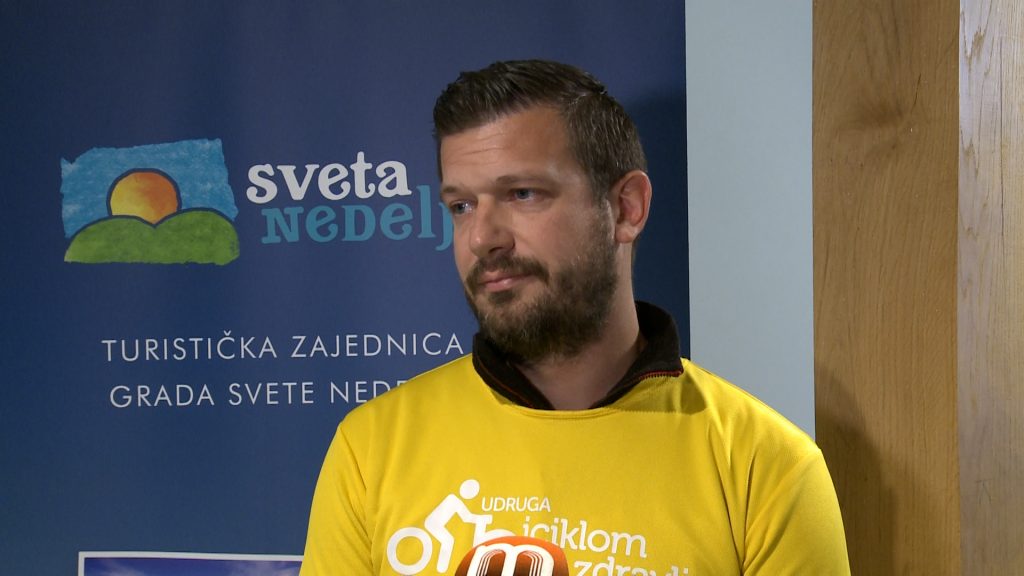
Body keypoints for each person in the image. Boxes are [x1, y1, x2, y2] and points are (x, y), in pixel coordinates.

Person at [300, 59, 850, 575]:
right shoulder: (370, 449)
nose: (482, 237)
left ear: (626, 208)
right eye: (461, 206)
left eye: (522, 193)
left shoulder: (767, 469)